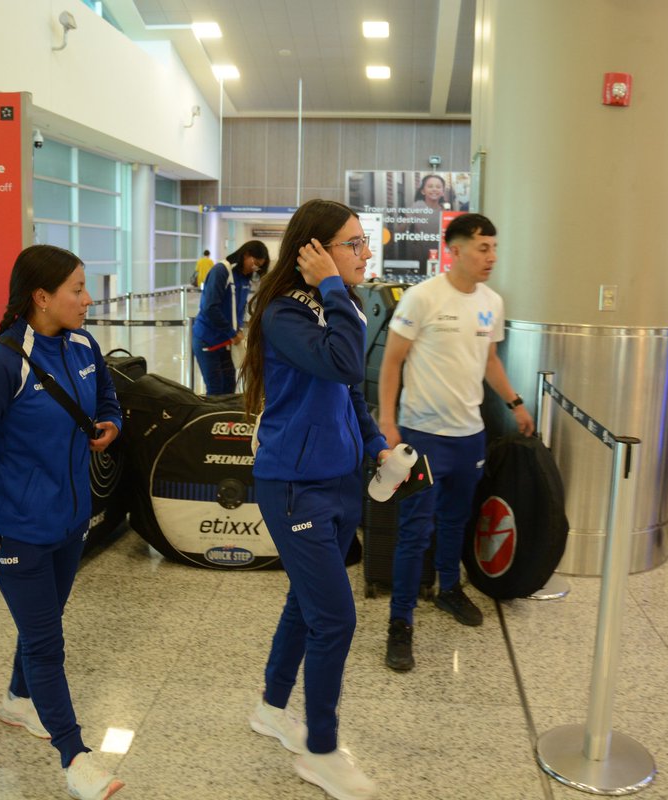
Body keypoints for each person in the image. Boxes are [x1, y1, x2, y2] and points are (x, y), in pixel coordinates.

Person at [0, 244, 124, 800]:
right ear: (40, 297)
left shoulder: (83, 343)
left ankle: (18, 701)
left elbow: (110, 401)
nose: (87, 298)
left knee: (43, 622)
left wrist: (110, 425)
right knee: (48, 642)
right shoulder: (1, 363)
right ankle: (75, 758)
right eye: (76, 288)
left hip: (71, 522)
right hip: (17, 527)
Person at [242, 199, 389, 800]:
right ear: (316, 251)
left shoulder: (336, 304)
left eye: (362, 242)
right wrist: (331, 285)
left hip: (338, 480)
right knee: (336, 618)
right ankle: (322, 752)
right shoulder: (284, 314)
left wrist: (376, 444)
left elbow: (346, 389)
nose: (365, 252)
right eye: (353, 243)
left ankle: (272, 707)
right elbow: (347, 359)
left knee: (306, 606)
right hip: (295, 486)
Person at [378, 213, 534, 672]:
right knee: (413, 531)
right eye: (483, 248)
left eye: (494, 248)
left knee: (455, 521)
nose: (492, 257)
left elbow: (489, 361)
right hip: (422, 436)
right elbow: (391, 364)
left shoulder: (491, 302)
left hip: (470, 437)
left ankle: (448, 589)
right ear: (456, 249)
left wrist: (516, 403)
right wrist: (388, 423)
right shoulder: (421, 297)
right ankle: (400, 622)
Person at [192, 239, 269, 395]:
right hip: (208, 339)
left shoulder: (245, 277)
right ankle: (213, 419)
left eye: (259, 266)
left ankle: (227, 420)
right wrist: (232, 332)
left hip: (227, 342)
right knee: (215, 388)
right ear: (246, 255)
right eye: (255, 263)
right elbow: (210, 307)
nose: (255, 268)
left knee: (229, 388)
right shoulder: (222, 271)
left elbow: (237, 308)